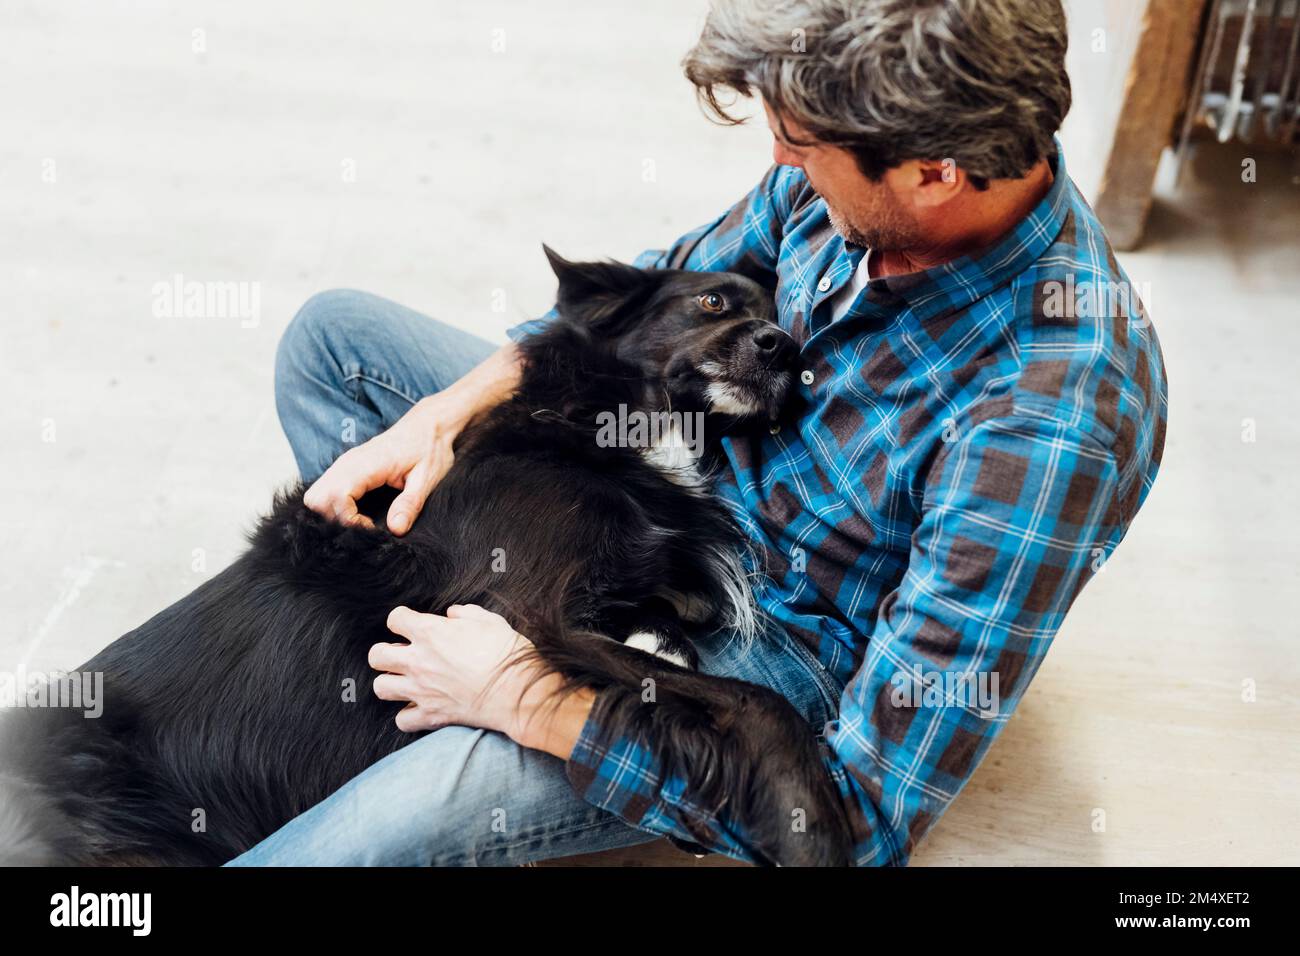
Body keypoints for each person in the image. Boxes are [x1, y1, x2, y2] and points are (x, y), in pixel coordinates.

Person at [228, 0, 1167, 866]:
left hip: (764, 651)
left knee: (367, 839)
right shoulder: (847, 178)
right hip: (665, 478)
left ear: (934, 173)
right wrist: (445, 414)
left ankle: (434, 719)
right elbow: (654, 287)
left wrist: (525, 696)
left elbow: (853, 822)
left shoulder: (1051, 419)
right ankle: (396, 679)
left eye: (800, 144)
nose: (780, 162)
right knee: (336, 343)